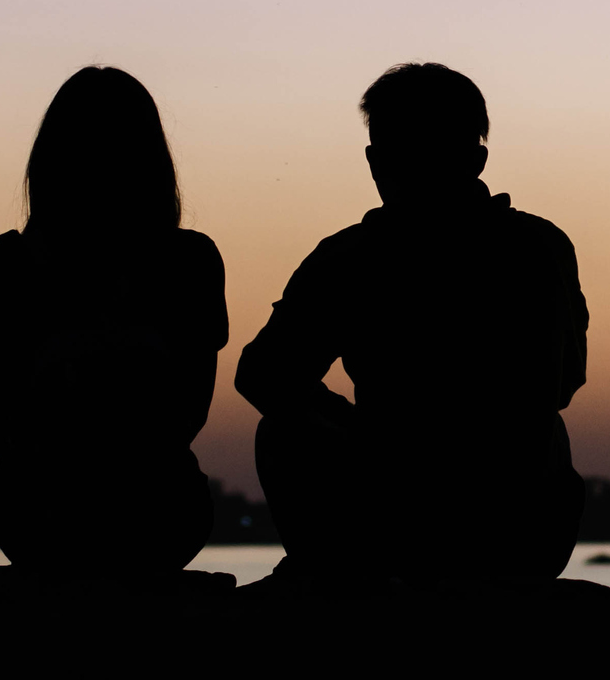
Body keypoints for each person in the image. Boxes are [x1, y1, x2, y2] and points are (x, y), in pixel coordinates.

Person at [236, 63, 588, 580]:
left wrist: (355, 424)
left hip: (398, 517)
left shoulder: (351, 257)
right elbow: (565, 382)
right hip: (521, 528)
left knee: (282, 435)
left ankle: (336, 578)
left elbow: (264, 376)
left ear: (376, 162)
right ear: (478, 158)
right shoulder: (540, 246)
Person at [0, 66, 227, 578]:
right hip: (138, 510)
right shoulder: (189, 264)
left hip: (63, 510)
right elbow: (188, 412)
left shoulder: (9, 267)